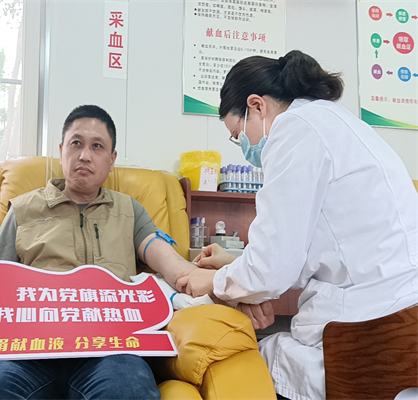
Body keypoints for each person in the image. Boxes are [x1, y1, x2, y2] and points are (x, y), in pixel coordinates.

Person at [0, 105, 271, 400]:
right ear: (61, 151)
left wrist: (235, 288)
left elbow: (176, 269)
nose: (84, 154)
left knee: (127, 390)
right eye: (76, 143)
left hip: (110, 350)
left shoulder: (130, 211)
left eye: (97, 146)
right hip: (26, 349)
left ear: (112, 159)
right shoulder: (23, 210)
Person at [175, 50, 418, 400]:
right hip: (399, 308)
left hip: (373, 324)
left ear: (256, 106)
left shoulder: (293, 130)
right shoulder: (332, 120)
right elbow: (317, 248)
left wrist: (213, 282)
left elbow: (273, 268)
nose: (244, 146)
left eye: (237, 134)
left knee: (258, 357)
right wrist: (239, 270)